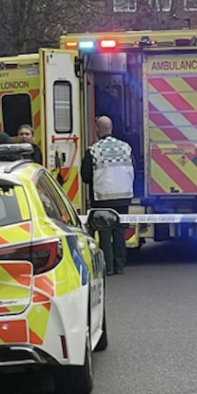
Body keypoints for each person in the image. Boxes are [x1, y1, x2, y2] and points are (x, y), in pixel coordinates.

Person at [81, 116, 134, 276]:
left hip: (102, 198)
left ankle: (108, 267)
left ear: (97, 129)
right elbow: (133, 169)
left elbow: (86, 176)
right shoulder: (126, 148)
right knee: (119, 232)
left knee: (104, 233)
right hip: (123, 196)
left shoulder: (93, 150)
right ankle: (119, 266)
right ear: (112, 128)